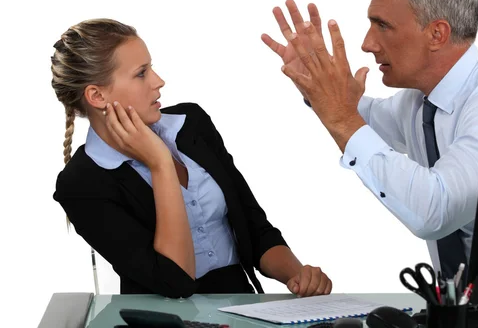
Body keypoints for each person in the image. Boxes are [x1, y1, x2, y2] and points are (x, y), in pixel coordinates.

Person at [261, 0, 478, 284]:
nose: (367, 44)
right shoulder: (422, 101)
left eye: (382, 25)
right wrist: (317, 86)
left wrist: (342, 117)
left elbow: (436, 209)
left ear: (437, 34)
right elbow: (364, 121)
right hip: (467, 307)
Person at [50, 18, 332, 298]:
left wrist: (298, 276)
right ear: (97, 95)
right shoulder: (81, 184)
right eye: (141, 73)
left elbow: (255, 229)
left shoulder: (191, 124)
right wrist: (160, 164)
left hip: (243, 307)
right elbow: (175, 282)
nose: (159, 81)